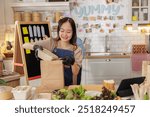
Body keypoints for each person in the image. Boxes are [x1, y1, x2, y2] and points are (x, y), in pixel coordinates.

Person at [23, 17, 83, 86]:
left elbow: (76, 72)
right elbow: (24, 45)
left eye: (68, 32)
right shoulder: (52, 43)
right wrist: (35, 47)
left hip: (70, 87)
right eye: (62, 31)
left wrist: (72, 62)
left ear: (73, 32)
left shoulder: (77, 50)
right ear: (58, 31)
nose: (64, 34)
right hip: (54, 84)